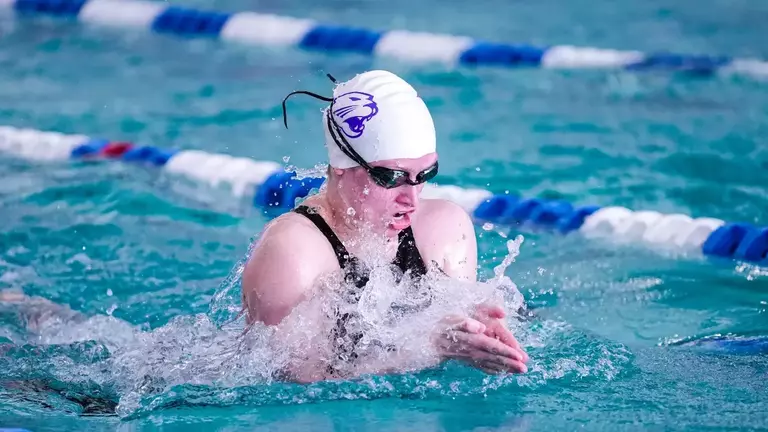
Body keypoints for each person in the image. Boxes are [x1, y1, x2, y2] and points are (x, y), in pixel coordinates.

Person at [241, 70, 529, 382]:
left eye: (425, 174)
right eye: (392, 177)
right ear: (341, 167)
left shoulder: (442, 230)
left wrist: (476, 328)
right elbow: (294, 385)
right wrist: (426, 348)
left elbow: (451, 341)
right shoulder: (293, 254)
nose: (412, 198)